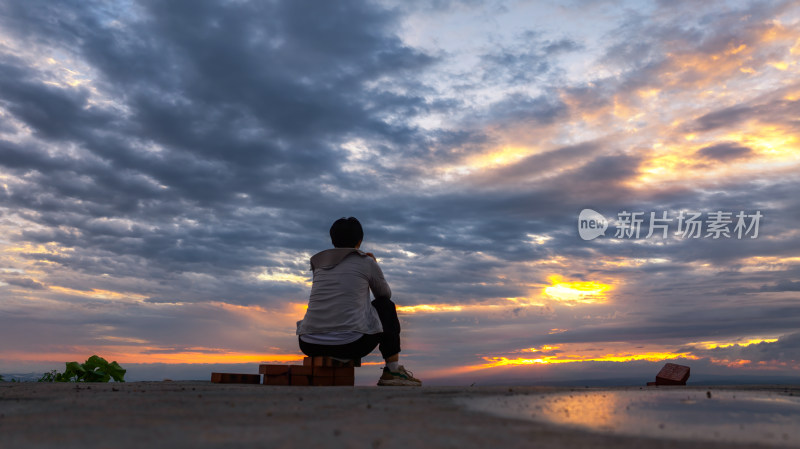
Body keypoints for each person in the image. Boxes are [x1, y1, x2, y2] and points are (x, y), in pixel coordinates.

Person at [296, 217, 422, 386]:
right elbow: (384, 294)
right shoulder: (366, 261)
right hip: (350, 344)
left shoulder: (318, 264)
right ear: (360, 241)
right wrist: (374, 266)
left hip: (309, 344)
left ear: (333, 240)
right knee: (385, 306)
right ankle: (393, 371)